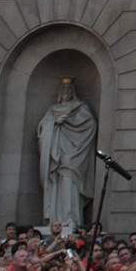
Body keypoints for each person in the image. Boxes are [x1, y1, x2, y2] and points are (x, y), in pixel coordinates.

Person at [37, 77, 97, 229]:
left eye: (69, 89)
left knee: (70, 183)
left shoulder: (80, 107)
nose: (66, 91)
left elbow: (90, 125)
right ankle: (56, 219)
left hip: (73, 154)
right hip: (56, 153)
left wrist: (70, 122)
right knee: (57, 185)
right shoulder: (52, 110)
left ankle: (71, 218)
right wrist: (54, 123)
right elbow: (42, 129)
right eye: (64, 89)